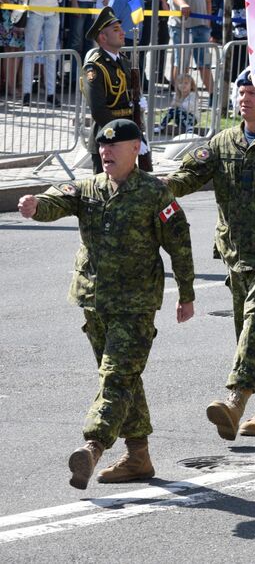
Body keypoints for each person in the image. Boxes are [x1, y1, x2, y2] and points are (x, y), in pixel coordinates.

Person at [16, 119, 195, 489]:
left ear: (136, 149)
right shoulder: (90, 188)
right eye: (102, 146)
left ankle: (93, 446)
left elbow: (179, 242)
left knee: (115, 377)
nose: (106, 152)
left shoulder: (154, 193)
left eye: (115, 146)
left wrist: (187, 293)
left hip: (136, 303)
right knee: (124, 378)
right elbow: (58, 198)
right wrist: (36, 205)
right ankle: (139, 456)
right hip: (94, 302)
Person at [162, 71, 255, 440]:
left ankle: (235, 399)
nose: (244, 98)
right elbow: (190, 175)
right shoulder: (223, 141)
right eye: (240, 92)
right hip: (235, 252)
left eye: (253, 92)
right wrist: (162, 186)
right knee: (253, 334)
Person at [81, 6, 149, 173]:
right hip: (108, 140)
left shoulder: (125, 62)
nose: (122, 33)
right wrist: (124, 137)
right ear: (103, 37)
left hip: (127, 141)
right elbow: (99, 111)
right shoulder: (95, 67)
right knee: (106, 194)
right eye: (116, 30)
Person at [17, 0, 64, 106]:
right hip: (34, 12)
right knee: (30, 53)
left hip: (52, 12)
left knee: (51, 54)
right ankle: (27, 93)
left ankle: (51, 93)